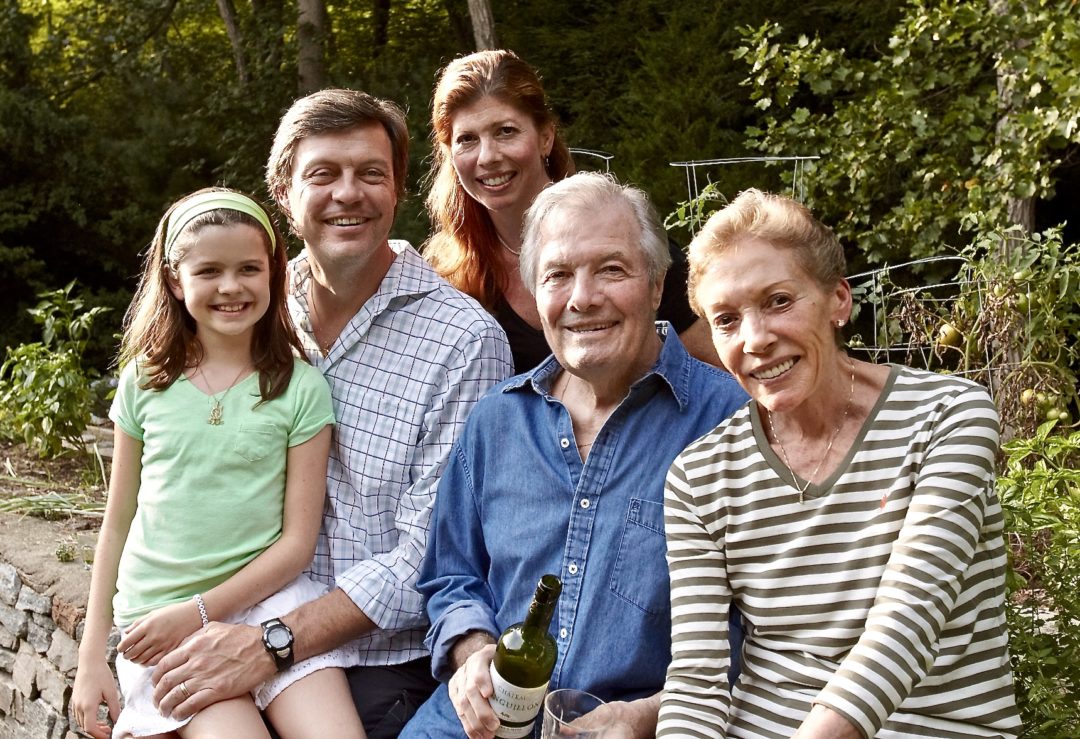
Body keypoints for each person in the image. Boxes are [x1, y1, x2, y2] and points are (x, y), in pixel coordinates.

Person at [149, 90, 514, 738]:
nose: (350, 192)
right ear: (284, 193)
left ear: (397, 188)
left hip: (373, 660)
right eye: (324, 173)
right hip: (230, 614)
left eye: (371, 173)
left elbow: (428, 556)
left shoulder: (465, 340)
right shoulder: (249, 315)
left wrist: (274, 642)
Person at [657, 189, 1022, 738]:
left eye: (779, 301)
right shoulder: (700, 477)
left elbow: (906, 626)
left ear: (839, 301)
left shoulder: (948, 417)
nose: (756, 339)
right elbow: (697, 684)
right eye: (727, 320)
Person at [401, 172, 748, 739]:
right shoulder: (497, 420)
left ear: (658, 285)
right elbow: (451, 576)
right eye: (558, 275)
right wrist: (473, 653)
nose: (583, 298)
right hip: (476, 723)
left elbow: (765, 627)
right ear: (536, 295)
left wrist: (647, 716)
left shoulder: (725, 424)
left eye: (611, 269)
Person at [72, 188, 367, 739]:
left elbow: (296, 544)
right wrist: (92, 658)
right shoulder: (144, 382)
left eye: (249, 269)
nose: (231, 287)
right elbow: (116, 525)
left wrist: (204, 611)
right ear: (175, 280)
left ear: (273, 276)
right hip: (163, 620)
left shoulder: (300, 388)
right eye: (209, 270)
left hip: (269, 604)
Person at [424, 48, 718, 372]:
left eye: (505, 131)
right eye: (467, 139)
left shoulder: (627, 243)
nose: (487, 157)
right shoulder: (446, 275)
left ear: (545, 137)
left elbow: (725, 381)